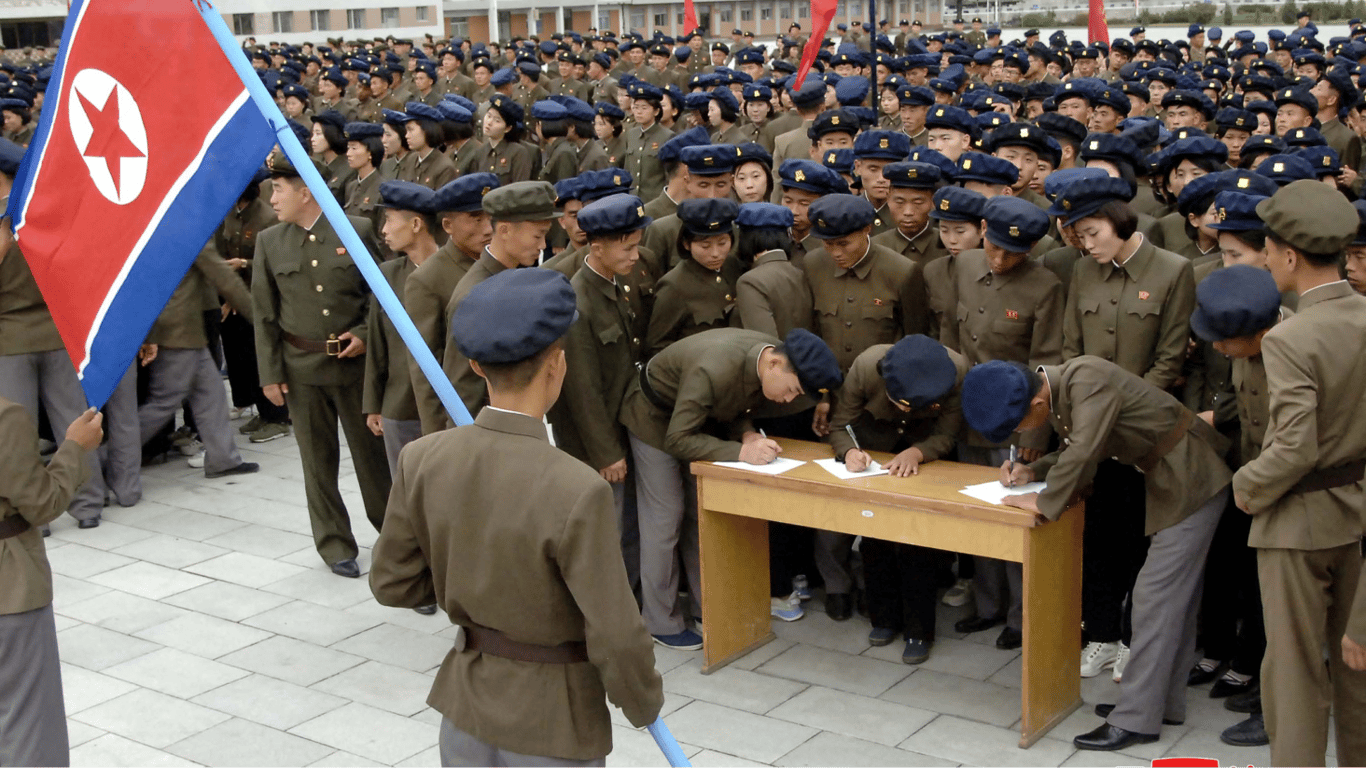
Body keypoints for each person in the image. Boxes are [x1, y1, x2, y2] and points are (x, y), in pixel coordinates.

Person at [369, 268, 665, 767]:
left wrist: (469, 588)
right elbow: (615, 632)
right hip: (553, 721)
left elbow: (392, 582)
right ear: (557, 365)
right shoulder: (576, 487)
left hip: (465, 704)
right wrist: (643, 704)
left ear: (476, 368)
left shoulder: (422, 458)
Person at [963, 354, 1231, 752]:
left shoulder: (1086, 379)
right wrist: (1033, 472)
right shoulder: (1067, 389)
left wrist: (1044, 500)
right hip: (1176, 479)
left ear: (1036, 405)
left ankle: (1136, 719)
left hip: (1193, 481)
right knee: (1174, 601)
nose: (1021, 437)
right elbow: (1082, 446)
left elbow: (1085, 449)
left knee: (1153, 600)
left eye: (1018, 426)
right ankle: (1161, 704)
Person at [1230, 180, 1366, 768]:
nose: (1263, 259)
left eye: (1266, 249)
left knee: (1293, 673)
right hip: (1357, 513)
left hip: (1298, 524)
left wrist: (1244, 487)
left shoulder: (1290, 336)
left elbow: (1293, 448)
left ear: (1288, 255)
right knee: (1355, 666)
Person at [1047, 174, 1196, 683]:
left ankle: (1133, 639)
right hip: (1090, 435)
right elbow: (1070, 351)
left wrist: (1124, 420)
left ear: (1119, 219)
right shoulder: (1084, 272)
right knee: (1097, 539)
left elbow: (1168, 360)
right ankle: (1101, 635)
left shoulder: (1174, 270)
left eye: (1091, 233)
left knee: (1138, 543)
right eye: (1077, 236)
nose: (1084, 246)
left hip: (1140, 436)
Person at [618, 327, 842, 649]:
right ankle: (659, 621)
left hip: (695, 421)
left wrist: (748, 434)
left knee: (702, 510)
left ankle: (706, 609)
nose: (789, 399)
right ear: (775, 364)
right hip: (653, 419)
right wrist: (740, 452)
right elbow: (677, 438)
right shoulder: (714, 367)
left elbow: (732, 405)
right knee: (665, 517)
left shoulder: (760, 360)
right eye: (792, 390)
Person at [251, 149, 391, 579]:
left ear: (306, 191)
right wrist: (270, 374)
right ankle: (334, 543)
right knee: (317, 461)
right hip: (301, 368)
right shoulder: (270, 242)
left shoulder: (356, 230)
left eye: (277, 189)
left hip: (354, 370)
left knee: (374, 462)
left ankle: (394, 541)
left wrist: (366, 336)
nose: (272, 200)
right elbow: (265, 312)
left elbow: (382, 296)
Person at [802, 193, 928, 621]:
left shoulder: (902, 271)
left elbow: (915, 342)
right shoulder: (813, 267)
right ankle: (836, 582)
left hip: (883, 403)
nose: (835, 253)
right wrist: (820, 396)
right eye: (827, 244)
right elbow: (809, 339)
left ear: (867, 231)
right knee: (832, 497)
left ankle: (883, 589)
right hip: (833, 399)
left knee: (882, 496)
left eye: (844, 244)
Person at [946, 196, 1064, 652]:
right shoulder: (965, 265)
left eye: (1013, 253)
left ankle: (1020, 614)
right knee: (977, 518)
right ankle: (987, 603)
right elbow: (952, 338)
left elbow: (1046, 363)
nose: (1000, 259)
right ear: (981, 230)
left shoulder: (1045, 286)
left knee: (1013, 517)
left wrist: (1035, 434)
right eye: (994, 247)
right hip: (965, 413)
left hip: (1015, 421)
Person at [829, 334, 967, 663]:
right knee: (874, 536)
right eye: (899, 402)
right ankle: (883, 619)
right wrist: (848, 451)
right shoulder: (866, 366)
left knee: (917, 542)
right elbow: (839, 426)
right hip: (874, 454)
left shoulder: (957, 371)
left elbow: (947, 435)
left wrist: (918, 452)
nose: (905, 410)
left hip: (923, 457)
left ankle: (919, 632)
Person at [547, 193, 652, 593]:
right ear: (597, 246)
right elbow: (582, 388)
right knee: (608, 528)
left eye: (637, 245)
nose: (635, 256)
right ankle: (611, 602)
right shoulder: (578, 301)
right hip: (595, 442)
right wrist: (606, 452)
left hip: (619, 426)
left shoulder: (613, 285)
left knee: (624, 523)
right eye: (627, 248)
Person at [0, 400, 102, 768]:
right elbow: (42, 504)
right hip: (8, 589)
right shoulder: (5, 416)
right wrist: (74, 448)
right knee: (29, 730)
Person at [137, 244, 259, 479]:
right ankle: (104, 459)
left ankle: (223, 460)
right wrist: (260, 319)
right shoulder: (189, 226)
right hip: (178, 332)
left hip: (187, 331)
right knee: (162, 406)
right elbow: (225, 279)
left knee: (211, 396)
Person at [440, 181, 560, 417]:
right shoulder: (474, 295)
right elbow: (464, 390)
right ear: (504, 231)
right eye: (538, 235)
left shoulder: (512, 278)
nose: (543, 245)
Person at [405, 174, 498, 435]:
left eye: (492, 217)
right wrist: (440, 436)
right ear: (447, 225)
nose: (488, 228)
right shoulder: (427, 279)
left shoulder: (501, 264)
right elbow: (426, 369)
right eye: (476, 219)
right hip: (466, 416)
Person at [364, 181, 438, 478]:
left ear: (417, 224)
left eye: (390, 220)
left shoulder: (456, 271)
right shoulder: (388, 275)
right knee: (406, 490)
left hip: (447, 406)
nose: (384, 230)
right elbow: (377, 343)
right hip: (400, 405)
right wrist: (373, 404)